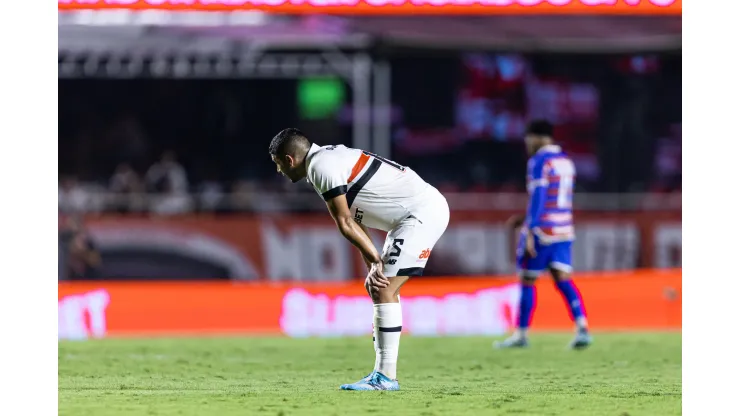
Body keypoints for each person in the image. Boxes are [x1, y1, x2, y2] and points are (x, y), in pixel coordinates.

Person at [269, 128, 450, 391]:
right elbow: (355, 216)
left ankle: (385, 377)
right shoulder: (326, 160)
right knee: (379, 287)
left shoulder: (321, 167)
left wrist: (376, 260)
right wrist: (372, 261)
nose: (279, 172)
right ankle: (383, 374)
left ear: (289, 159)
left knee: (383, 288)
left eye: (278, 165)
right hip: (413, 214)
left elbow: (344, 222)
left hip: (422, 213)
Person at [495, 120, 592, 350]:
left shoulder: (539, 161)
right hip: (565, 228)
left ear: (539, 138)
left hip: (543, 229)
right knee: (562, 279)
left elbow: (539, 197)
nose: (527, 143)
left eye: (529, 138)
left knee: (528, 279)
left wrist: (529, 229)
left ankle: (521, 334)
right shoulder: (566, 161)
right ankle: (582, 327)